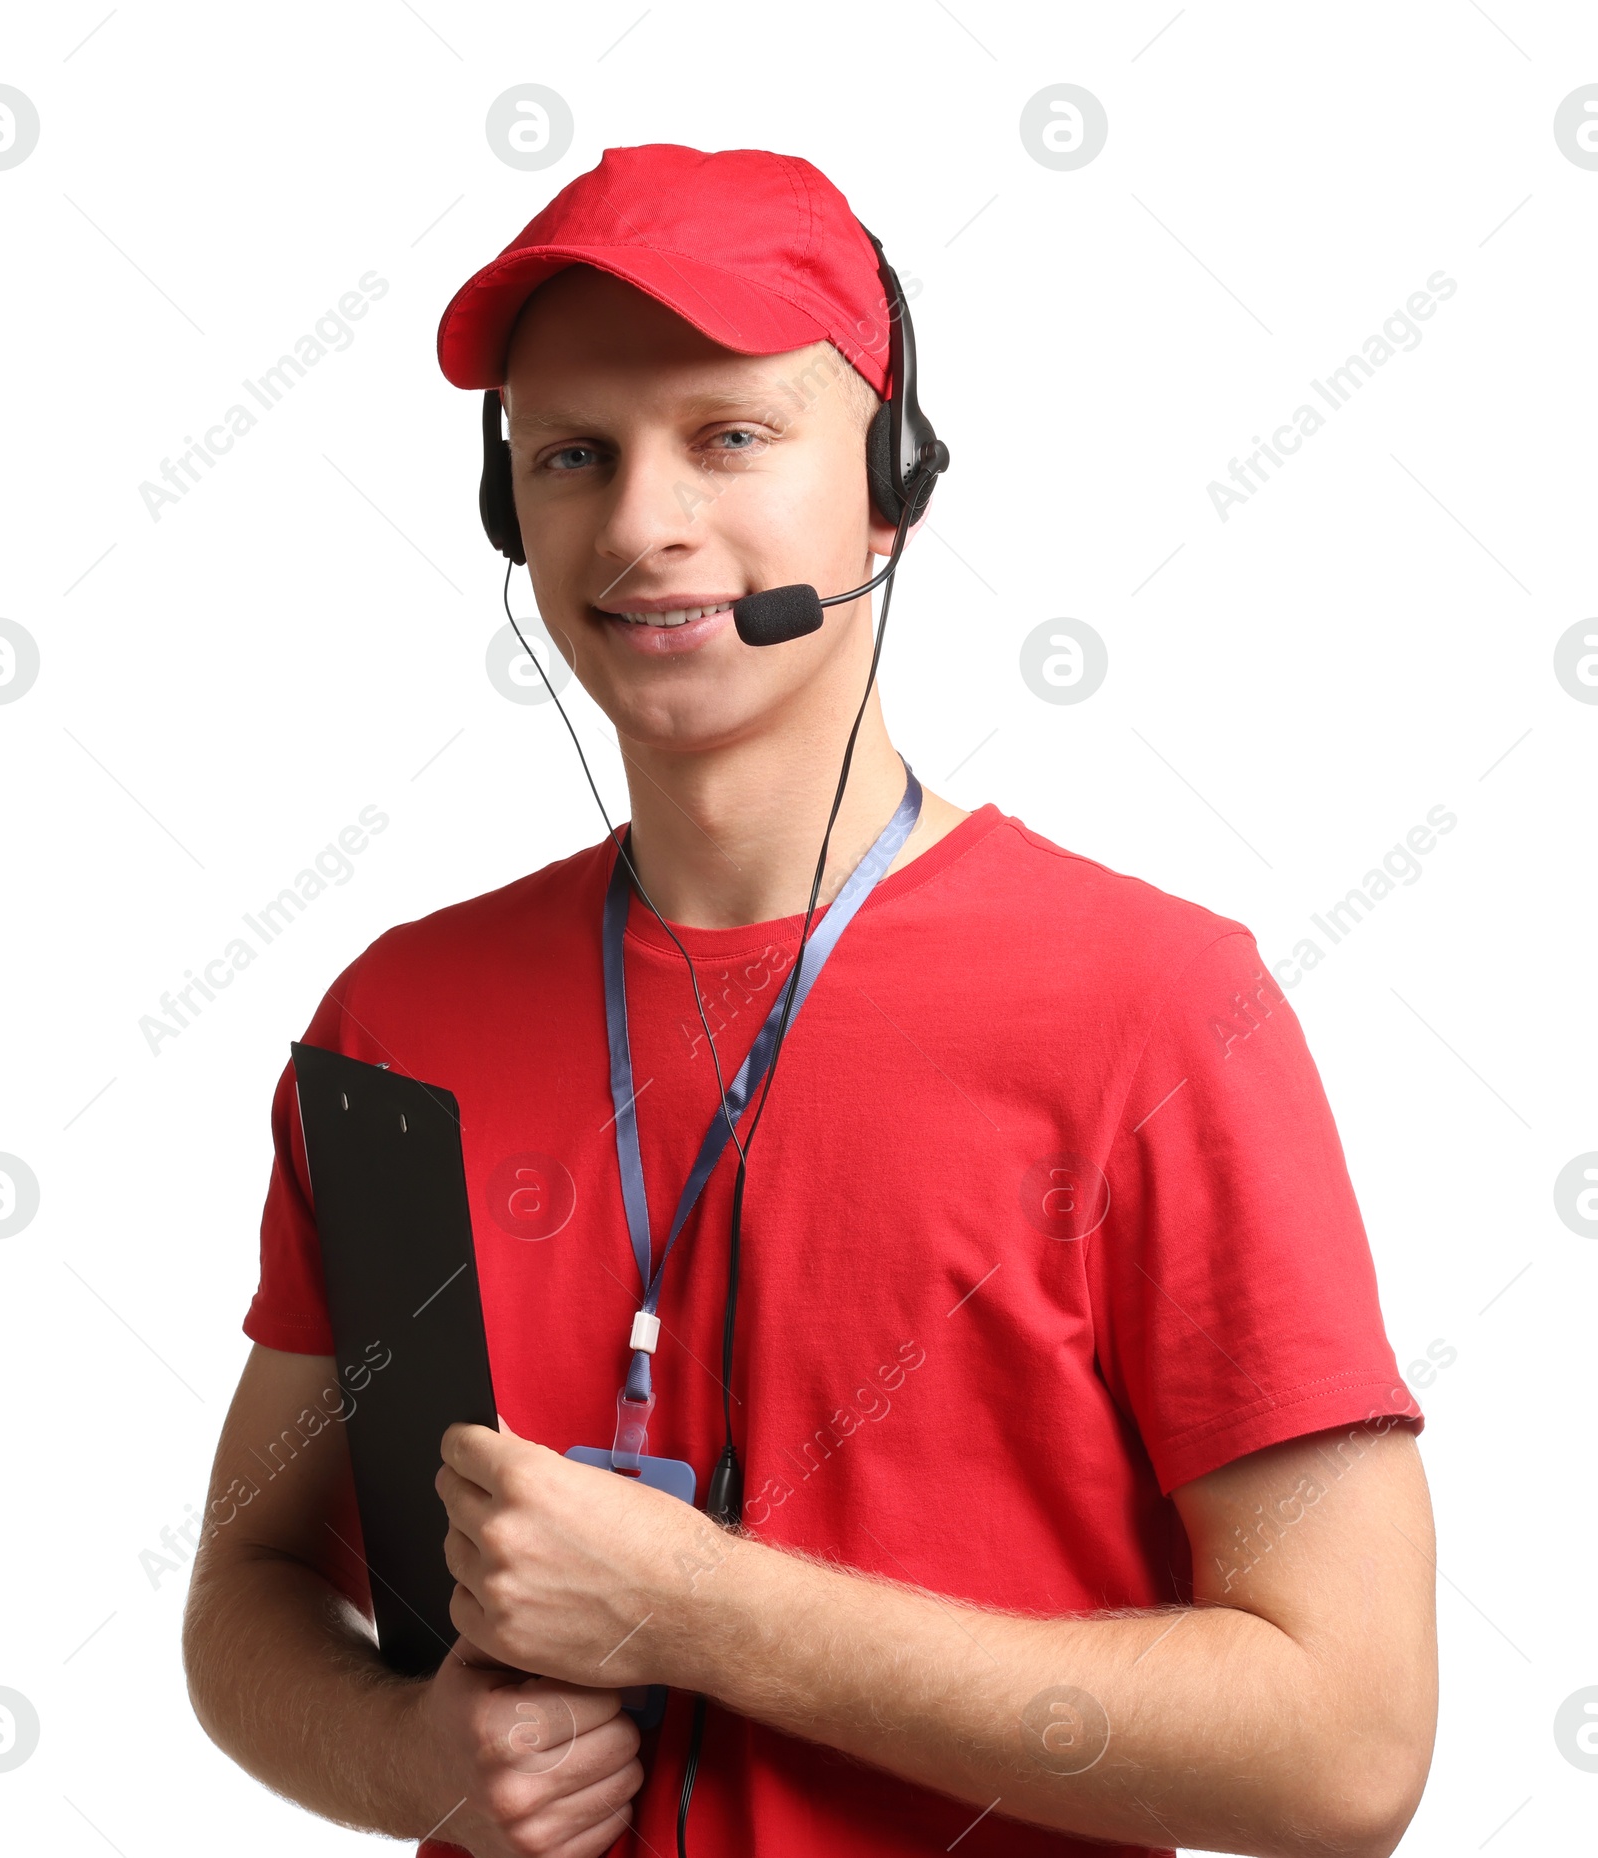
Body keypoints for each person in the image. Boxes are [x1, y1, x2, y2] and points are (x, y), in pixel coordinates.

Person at [183, 144, 1438, 1858]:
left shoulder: (1158, 1010)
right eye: (571, 456)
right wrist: (413, 1763)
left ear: (891, 481)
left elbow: (1350, 1744)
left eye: (729, 436)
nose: (642, 525)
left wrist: (704, 1613)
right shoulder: (396, 1020)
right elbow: (251, 1589)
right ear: (511, 518)